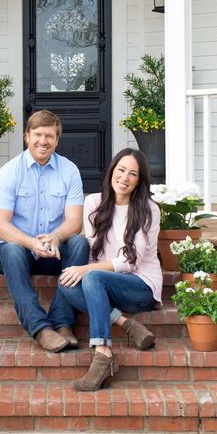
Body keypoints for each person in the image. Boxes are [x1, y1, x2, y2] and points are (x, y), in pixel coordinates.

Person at [58, 148, 162, 391]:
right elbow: (94, 251)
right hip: (106, 282)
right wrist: (86, 271)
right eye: (121, 170)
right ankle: (126, 324)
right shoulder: (94, 202)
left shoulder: (149, 209)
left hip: (140, 286)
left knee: (90, 274)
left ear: (139, 181)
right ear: (112, 171)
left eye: (132, 174)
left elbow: (131, 261)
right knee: (66, 284)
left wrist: (87, 270)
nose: (124, 178)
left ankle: (102, 353)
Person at [0, 109, 90, 353]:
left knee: (79, 244)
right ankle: (40, 328)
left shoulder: (69, 171)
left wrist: (56, 236)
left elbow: (75, 222)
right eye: (37, 134)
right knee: (12, 249)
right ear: (26, 136)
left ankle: (62, 322)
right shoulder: (10, 172)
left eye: (49, 136)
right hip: (19, 253)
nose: (43, 141)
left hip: (53, 253)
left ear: (57, 139)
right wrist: (30, 243)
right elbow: (0, 226)